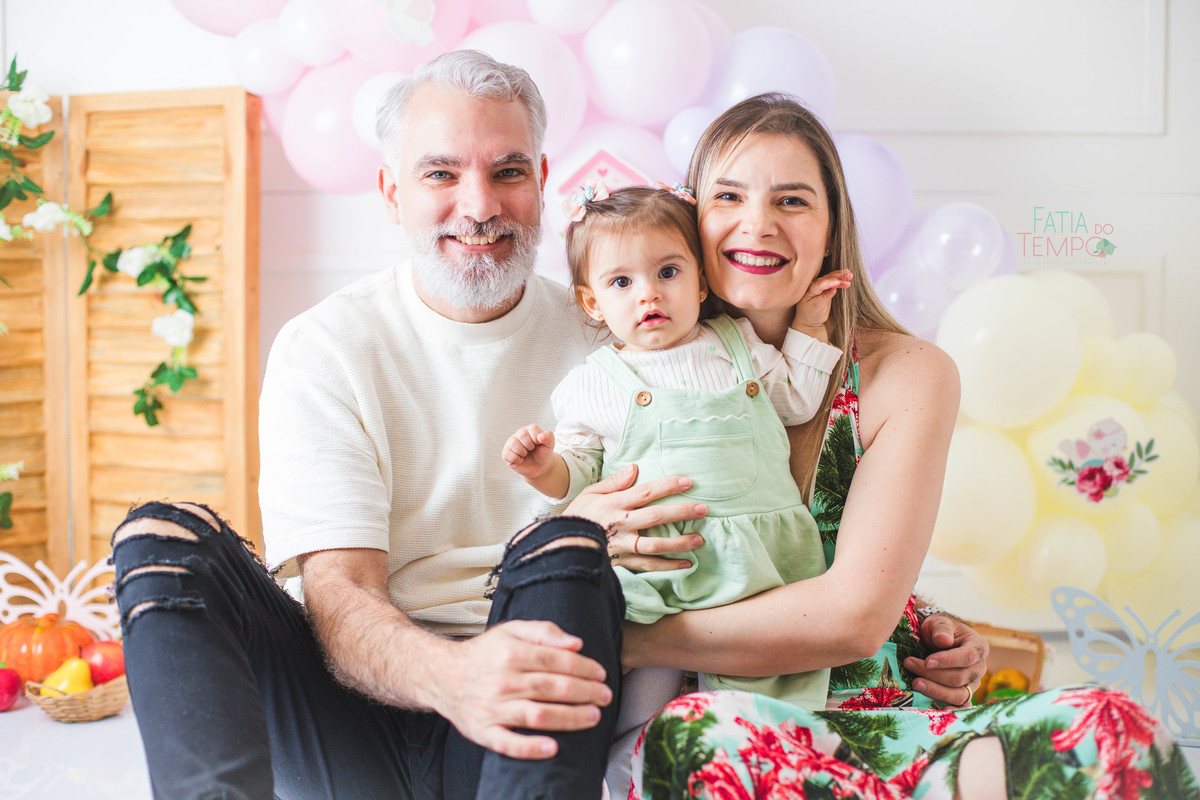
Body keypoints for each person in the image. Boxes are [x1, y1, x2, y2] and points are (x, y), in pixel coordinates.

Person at [106, 51, 987, 800]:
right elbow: (340, 598)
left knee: (565, 548)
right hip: (356, 708)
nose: (478, 205)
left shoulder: (626, 320)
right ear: (389, 190)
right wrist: (459, 675)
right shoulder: (327, 348)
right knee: (158, 533)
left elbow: (756, 492)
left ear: (543, 184)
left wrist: (916, 622)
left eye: (508, 171)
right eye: (441, 172)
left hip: (536, 694)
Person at [608, 93, 1199, 799]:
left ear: (831, 232)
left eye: (792, 201)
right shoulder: (626, 370)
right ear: (690, 219)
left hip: (878, 719)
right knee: (704, 734)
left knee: (1110, 727)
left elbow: (856, 617)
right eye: (728, 196)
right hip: (716, 725)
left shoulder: (905, 374)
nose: (758, 223)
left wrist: (636, 638)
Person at [502, 183, 849, 786]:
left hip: (758, 557)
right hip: (663, 561)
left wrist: (811, 325)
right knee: (642, 695)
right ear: (591, 303)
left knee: (758, 708)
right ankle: (628, 772)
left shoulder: (738, 346)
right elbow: (583, 473)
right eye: (621, 283)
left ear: (701, 280)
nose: (649, 295)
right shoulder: (599, 381)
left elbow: (794, 399)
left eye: (667, 271)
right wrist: (545, 468)